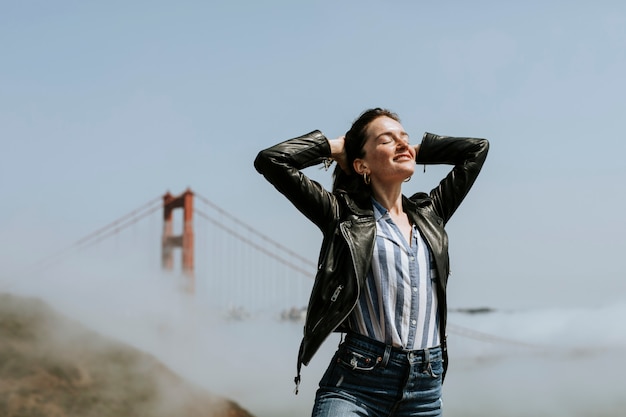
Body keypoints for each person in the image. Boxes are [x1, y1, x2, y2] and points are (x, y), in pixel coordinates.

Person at [254, 108, 489, 416]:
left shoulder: (432, 214)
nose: (402, 143)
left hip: (425, 387)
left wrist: (413, 150)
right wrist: (337, 146)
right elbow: (271, 160)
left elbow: (477, 150)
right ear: (361, 164)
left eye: (404, 136)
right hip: (356, 382)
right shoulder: (341, 215)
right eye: (386, 139)